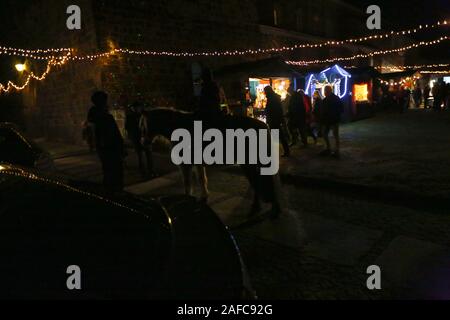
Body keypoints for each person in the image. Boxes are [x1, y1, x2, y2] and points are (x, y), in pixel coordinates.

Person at [87, 91, 125, 193]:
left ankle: (111, 189)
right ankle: (114, 191)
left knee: (110, 170)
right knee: (113, 170)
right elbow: (111, 133)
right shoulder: (102, 116)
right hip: (108, 146)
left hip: (106, 146)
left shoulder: (97, 115)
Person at [125, 102, 153, 178]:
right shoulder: (144, 115)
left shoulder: (131, 116)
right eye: (135, 107)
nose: (136, 109)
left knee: (144, 155)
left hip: (140, 137)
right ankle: (147, 171)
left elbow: (127, 127)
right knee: (144, 155)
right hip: (139, 137)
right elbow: (127, 127)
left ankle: (147, 171)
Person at [264, 86, 290, 157]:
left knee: (277, 136)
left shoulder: (272, 98)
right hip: (275, 120)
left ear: (268, 91)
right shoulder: (273, 98)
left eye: (265, 91)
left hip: (274, 120)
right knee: (278, 136)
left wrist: (268, 115)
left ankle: (279, 152)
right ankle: (285, 151)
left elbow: (273, 110)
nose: (264, 92)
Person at [320, 86, 344, 158]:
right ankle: (329, 149)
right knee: (325, 134)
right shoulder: (327, 99)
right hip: (328, 120)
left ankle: (336, 151)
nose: (325, 92)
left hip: (333, 120)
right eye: (325, 90)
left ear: (329, 91)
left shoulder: (335, 99)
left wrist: (335, 115)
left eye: (326, 90)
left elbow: (341, 109)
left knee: (334, 135)